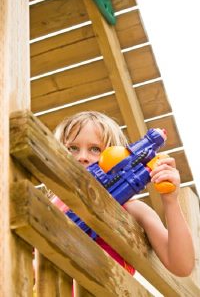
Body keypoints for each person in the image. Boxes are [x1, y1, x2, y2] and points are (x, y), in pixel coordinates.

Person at [51, 110, 195, 277]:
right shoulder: (53, 203)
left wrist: (170, 200)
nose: (82, 157)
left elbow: (181, 266)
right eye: (73, 148)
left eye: (95, 149)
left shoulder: (132, 208)